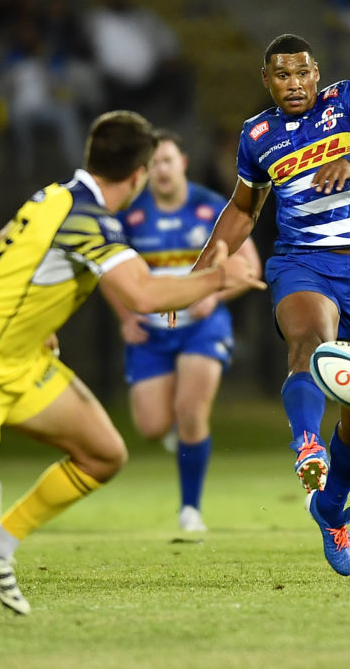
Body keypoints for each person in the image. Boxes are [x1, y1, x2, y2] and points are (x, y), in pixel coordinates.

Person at [0, 110, 266, 632]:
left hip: (19, 357)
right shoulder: (89, 218)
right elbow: (144, 294)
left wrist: (33, 314)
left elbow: (9, 239)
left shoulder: (54, 196)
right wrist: (218, 278)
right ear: (139, 174)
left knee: (103, 454)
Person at [185, 33, 350, 575]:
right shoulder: (257, 136)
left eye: (303, 73)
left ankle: (330, 509)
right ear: (267, 80)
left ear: (317, 73)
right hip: (301, 263)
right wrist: (200, 272)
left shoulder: (347, 101)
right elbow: (243, 210)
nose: (295, 84)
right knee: (311, 344)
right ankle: (309, 446)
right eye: (282, 75)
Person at [115, 130, 262, 532]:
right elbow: (107, 274)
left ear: (182, 162)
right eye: (153, 164)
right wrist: (127, 318)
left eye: (167, 160)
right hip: (152, 330)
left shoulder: (212, 207)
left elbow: (249, 267)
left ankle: (190, 510)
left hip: (202, 326)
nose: (161, 170)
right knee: (152, 426)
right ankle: (176, 432)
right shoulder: (129, 215)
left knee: (192, 412)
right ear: (143, 172)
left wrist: (214, 296)